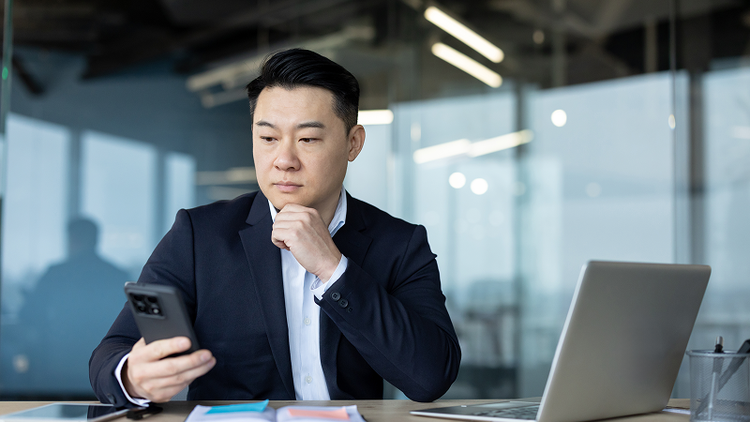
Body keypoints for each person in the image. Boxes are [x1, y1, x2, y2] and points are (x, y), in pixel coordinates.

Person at [89, 48, 461, 406]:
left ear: (353, 142)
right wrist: (133, 378)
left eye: (308, 139)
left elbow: (430, 377)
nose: (284, 160)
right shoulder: (199, 236)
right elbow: (112, 354)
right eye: (267, 138)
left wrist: (334, 269)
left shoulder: (399, 243)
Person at [16, 218, 128, 395]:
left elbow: (29, 314)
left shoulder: (56, 273)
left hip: (57, 363)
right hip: (105, 367)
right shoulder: (117, 275)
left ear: (72, 239)